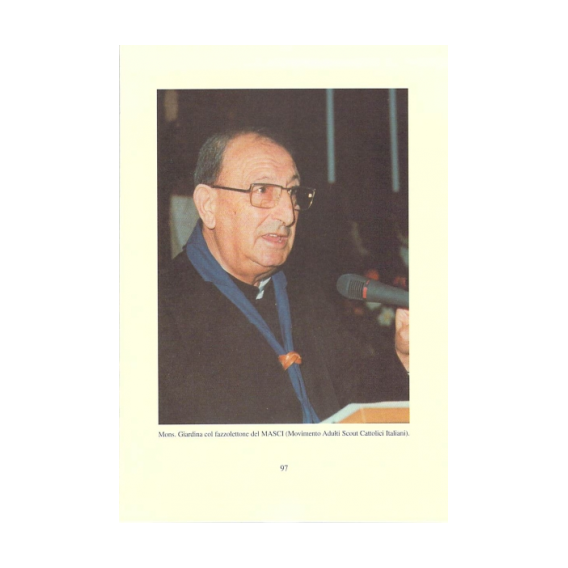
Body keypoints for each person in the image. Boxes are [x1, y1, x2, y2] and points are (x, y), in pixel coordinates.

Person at [159, 128, 409, 424]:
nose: (288, 215)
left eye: (293, 193)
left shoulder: (305, 294)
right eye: (263, 190)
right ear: (208, 205)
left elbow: (357, 400)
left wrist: (404, 358)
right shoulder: (158, 311)